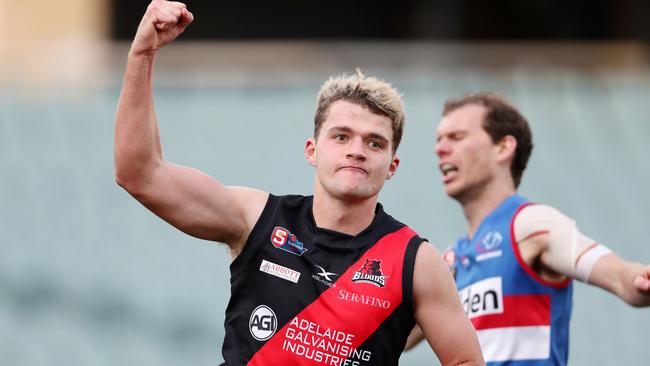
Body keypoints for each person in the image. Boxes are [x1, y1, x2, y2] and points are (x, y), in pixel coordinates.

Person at [113, 1, 484, 365]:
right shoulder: (256, 218)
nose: (357, 151)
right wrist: (142, 54)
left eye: (374, 143)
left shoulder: (415, 261)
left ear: (392, 165)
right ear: (312, 150)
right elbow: (139, 174)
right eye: (341, 137)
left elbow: (467, 361)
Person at [405, 92, 650, 364]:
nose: (440, 148)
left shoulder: (532, 224)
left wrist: (639, 279)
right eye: (439, 139)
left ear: (503, 147)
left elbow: (620, 277)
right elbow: (396, 337)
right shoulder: (450, 259)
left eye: (457, 137)